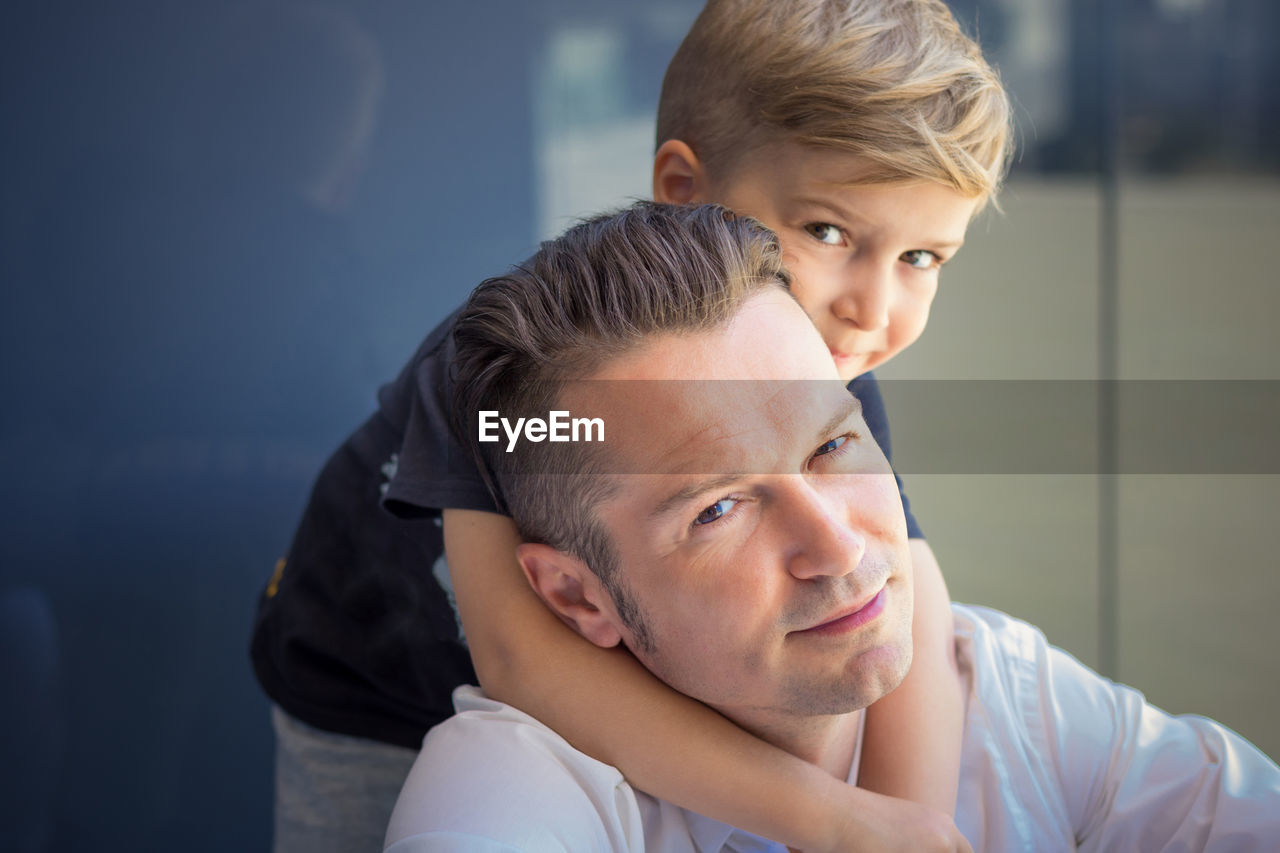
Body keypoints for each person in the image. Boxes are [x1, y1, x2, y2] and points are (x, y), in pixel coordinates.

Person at [251, 1, 1011, 849]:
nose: (872, 307)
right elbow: (522, 661)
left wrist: (911, 822)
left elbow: (913, 588)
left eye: (922, 258)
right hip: (372, 690)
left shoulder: (820, 370)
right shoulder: (529, 390)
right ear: (684, 189)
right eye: (827, 230)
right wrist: (831, 819)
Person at [385, 202, 1280, 851]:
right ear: (580, 596)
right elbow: (513, 665)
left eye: (833, 444)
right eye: (718, 506)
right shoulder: (515, 790)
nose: (841, 546)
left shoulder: (1017, 700)